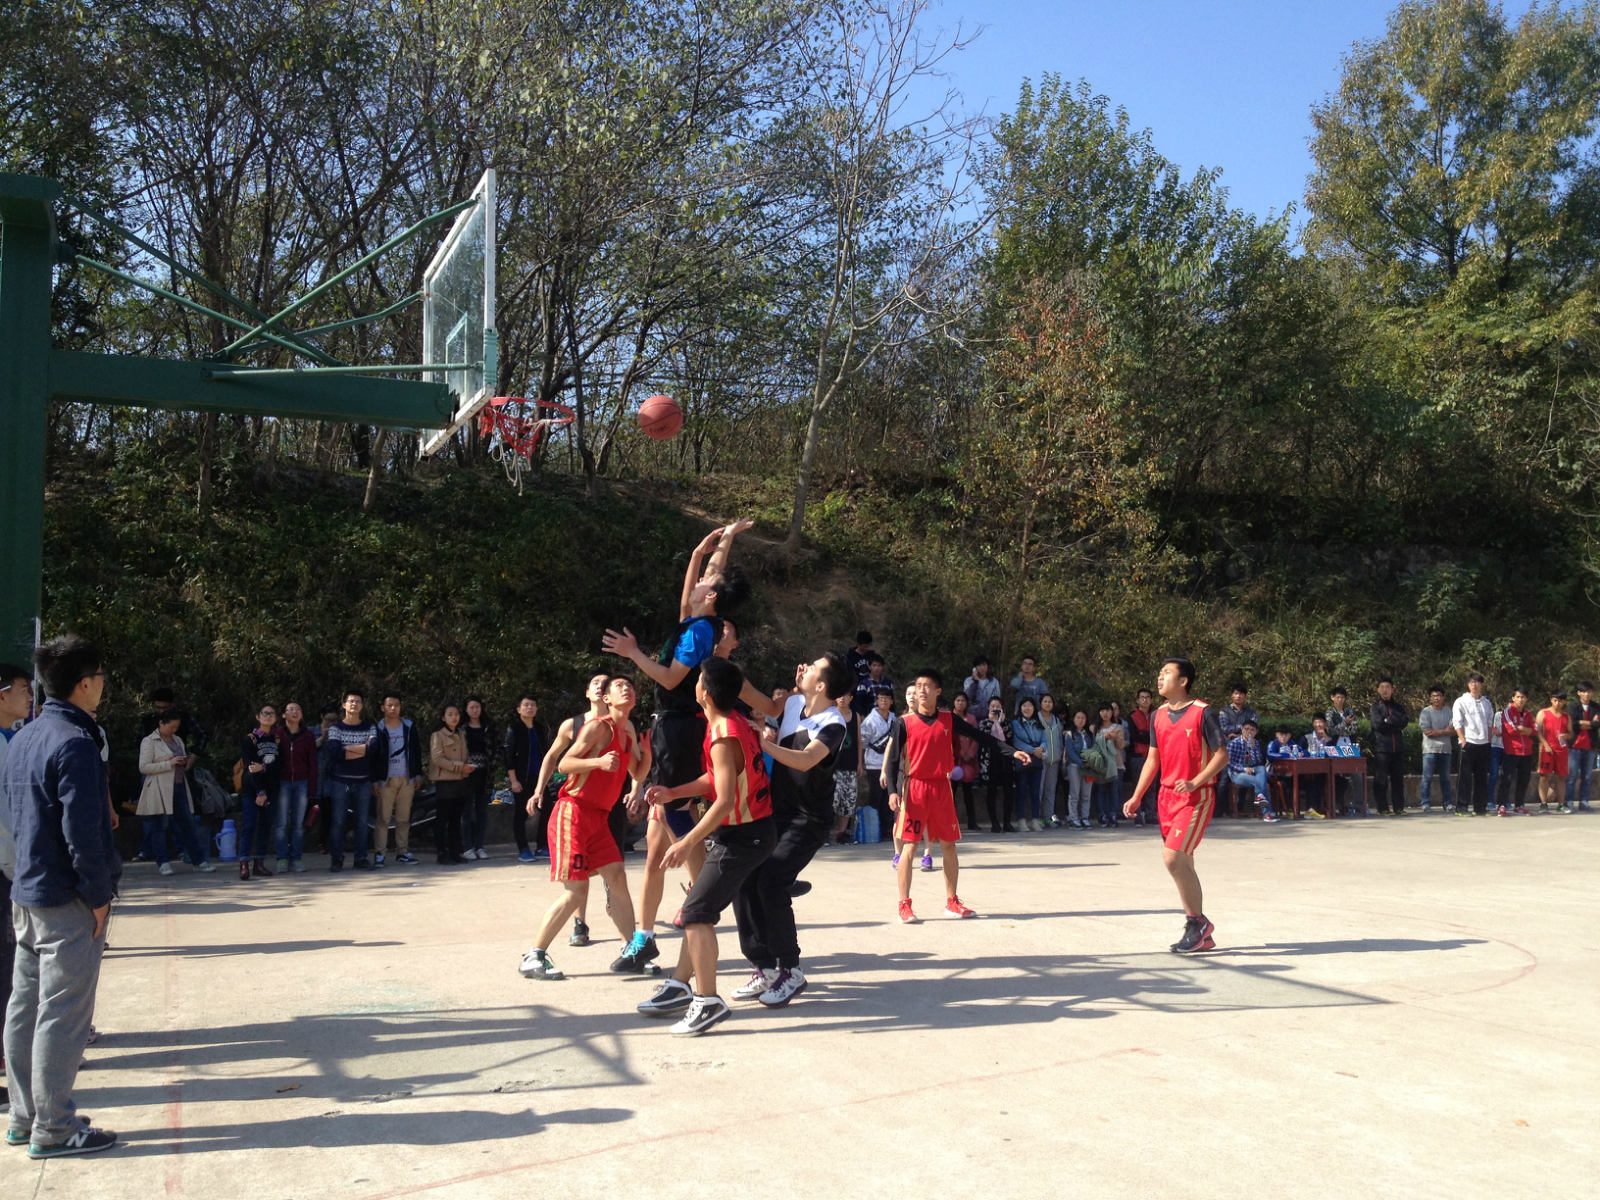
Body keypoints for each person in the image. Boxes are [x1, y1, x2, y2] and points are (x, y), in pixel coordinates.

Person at [602, 519, 752, 956]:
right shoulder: (696, 620)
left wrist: (633, 653)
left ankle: (708, 893)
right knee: (654, 850)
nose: (699, 580)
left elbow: (668, 678)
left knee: (677, 817)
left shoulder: (701, 631)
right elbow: (697, 590)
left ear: (712, 597)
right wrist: (709, 548)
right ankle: (644, 937)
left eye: (705, 579)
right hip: (672, 726)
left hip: (680, 728)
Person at [2, 635, 120, 1156]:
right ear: (86, 683)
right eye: (101, 677)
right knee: (63, 1013)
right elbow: (83, 835)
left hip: (27, 893)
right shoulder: (75, 743)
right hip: (67, 900)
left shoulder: (25, 737)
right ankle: (54, 1127)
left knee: (25, 1007)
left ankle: (25, 1117)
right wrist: (98, 896)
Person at [634, 658, 773, 1035]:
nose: (693, 684)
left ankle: (707, 1000)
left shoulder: (724, 734)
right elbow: (717, 780)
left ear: (705, 694)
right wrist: (674, 792)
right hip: (747, 832)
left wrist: (687, 842)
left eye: (698, 680)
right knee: (699, 908)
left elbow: (725, 800)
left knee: (696, 912)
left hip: (745, 835)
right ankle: (681, 985)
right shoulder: (730, 722)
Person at [728, 652, 854, 1008]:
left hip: (808, 820)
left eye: (812, 668)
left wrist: (764, 744)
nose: (804, 668)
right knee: (745, 878)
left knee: (771, 881)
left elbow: (806, 759)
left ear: (822, 685)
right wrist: (726, 667)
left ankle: (791, 970)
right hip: (775, 812)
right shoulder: (795, 702)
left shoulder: (834, 724)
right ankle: (764, 967)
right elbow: (762, 701)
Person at [519, 675, 652, 981]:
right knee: (577, 892)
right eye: (620, 687)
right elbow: (564, 764)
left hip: (599, 818)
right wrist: (598, 763)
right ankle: (533, 956)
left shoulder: (628, 733)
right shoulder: (597, 728)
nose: (627, 689)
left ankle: (632, 950)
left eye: (630, 687)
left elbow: (637, 772)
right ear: (607, 699)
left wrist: (647, 755)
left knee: (617, 876)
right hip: (573, 813)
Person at [884, 668, 1029, 923]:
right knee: (911, 846)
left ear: (938, 691)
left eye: (927, 685)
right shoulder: (903, 723)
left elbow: (981, 737)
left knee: (949, 845)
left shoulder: (948, 719)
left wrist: (1011, 751)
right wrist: (893, 792)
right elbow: (893, 759)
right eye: (918, 685)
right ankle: (904, 905)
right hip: (915, 788)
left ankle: (952, 901)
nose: (921, 690)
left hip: (942, 788)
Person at [1122, 657, 1227, 954]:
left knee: (1172, 859)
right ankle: (1200, 933)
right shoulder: (1157, 715)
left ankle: (1198, 923)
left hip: (1195, 797)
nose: (1160, 677)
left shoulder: (1203, 712)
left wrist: (1195, 781)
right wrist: (1137, 796)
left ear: (1183, 681)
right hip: (1166, 798)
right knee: (1183, 862)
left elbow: (1222, 755)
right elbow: (1152, 759)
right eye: (1160, 672)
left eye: (1167, 673)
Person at [531, 673, 611, 944]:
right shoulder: (573, 725)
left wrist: (636, 789)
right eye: (595, 683)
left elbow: (635, 758)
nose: (600, 686)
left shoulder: (621, 724)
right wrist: (538, 790)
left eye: (605, 683)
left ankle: (628, 931)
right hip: (580, 803)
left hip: (608, 803)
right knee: (580, 871)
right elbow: (553, 757)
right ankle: (580, 923)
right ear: (587, 692)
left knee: (614, 868)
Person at [135, 713, 214, 876]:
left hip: (178, 786)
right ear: (161, 723)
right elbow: (144, 767)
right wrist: (169, 763)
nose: (174, 730)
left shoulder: (177, 740)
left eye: (176, 727)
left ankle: (198, 860)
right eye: (171, 727)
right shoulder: (149, 741)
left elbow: (182, 762)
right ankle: (163, 862)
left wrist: (184, 762)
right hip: (159, 789)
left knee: (187, 824)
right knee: (159, 826)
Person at [324, 690, 378, 871]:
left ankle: (361, 858)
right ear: (344, 705)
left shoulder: (369, 727)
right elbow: (335, 752)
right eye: (351, 701)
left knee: (362, 822)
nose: (354, 704)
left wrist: (348, 749)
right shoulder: (336, 728)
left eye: (358, 701)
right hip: (341, 782)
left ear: (362, 706)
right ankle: (337, 859)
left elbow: (373, 749)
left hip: (364, 781)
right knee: (338, 822)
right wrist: (363, 748)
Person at [371, 693, 422, 867]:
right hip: (385, 779)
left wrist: (417, 774)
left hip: (406, 778)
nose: (393, 708)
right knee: (383, 818)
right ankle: (380, 854)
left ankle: (402, 852)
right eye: (390, 705)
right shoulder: (377, 728)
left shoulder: (408, 726)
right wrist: (375, 780)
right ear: (383, 708)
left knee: (403, 818)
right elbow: (373, 756)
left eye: (397, 705)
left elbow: (416, 751)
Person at [238, 703, 282, 879]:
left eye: (272, 713)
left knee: (265, 826)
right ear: (258, 716)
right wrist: (260, 791)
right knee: (249, 825)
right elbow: (250, 767)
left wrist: (264, 767)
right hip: (252, 790)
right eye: (265, 713)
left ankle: (259, 863)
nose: (268, 716)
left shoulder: (276, 740)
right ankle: (244, 863)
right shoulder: (250, 739)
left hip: (271, 789)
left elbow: (279, 766)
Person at [273, 702, 318, 873]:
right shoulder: (277, 734)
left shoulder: (308, 735)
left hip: (302, 782)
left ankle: (296, 858)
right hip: (282, 782)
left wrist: (312, 787)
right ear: (284, 715)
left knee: (298, 823)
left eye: (298, 709)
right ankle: (282, 858)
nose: (295, 712)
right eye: (291, 709)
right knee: (281, 823)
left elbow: (313, 762)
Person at [503, 694, 548, 864]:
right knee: (521, 813)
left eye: (532, 705)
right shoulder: (514, 729)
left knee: (547, 808)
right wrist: (513, 781)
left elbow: (546, 753)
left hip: (539, 778)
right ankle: (523, 849)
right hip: (522, 778)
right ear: (518, 709)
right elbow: (508, 756)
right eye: (526, 705)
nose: (530, 708)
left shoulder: (540, 728)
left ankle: (542, 846)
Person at [429, 704, 471, 864]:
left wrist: (467, 768)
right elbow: (437, 759)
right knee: (442, 819)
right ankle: (441, 852)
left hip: (460, 781)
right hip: (445, 782)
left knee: (455, 819)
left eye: (456, 714)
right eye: (450, 714)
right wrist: (460, 767)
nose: (454, 717)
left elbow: (465, 755)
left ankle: (455, 852)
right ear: (443, 717)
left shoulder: (461, 734)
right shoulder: (437, 735)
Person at [1451, 673, 1495, 817]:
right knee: (1464, 778)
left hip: (1483, 744)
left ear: (1482, 685)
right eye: (1471, 682)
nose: (1474, 685)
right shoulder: (1461, 701)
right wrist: (1463, 740)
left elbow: (1489, 722)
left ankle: (1480, 807)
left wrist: (1489, 739)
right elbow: (1457, 722)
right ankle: (1461, 808)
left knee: (1481, 778)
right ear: (1468, 685)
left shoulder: (1486, 703)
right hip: (1468, 743)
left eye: (1477, 682)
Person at [460, 697, 495, 859]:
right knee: (465, 811)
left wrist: (494, 763)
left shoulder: (488, 727)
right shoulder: (461, 728)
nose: (475, 710)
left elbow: (496, 747)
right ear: (466, 709)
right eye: (472, 707)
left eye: (477, 707)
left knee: (482, 811)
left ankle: (480, 846)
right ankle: (467, 847)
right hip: (465, 774)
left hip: (485, 774)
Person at [860, 688, 897, 838]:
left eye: (887, 698)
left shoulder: (895, 718)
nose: (884, 701)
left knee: (889, 796)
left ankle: (888, 829)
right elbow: (863, 742)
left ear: (891, 701)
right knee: (876, 796)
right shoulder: (870, 720)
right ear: (877, 701)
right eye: (881, 698)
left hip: (890, 764)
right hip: (874, 763)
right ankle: (875, 830)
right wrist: (861, 762)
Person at [1368, 678, 1409, 816]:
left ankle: (1399, 807)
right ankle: (1382, 808)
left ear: (1393, 689)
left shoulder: (1398, 707)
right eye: (1382, 687)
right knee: (1381, 779)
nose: (1385, 690)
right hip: (1382, 748)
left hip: (1397, 748)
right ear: (1378, 690)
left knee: (1398, 779)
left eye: (1387, 687)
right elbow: (1378, 725)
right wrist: (1394, 723)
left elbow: (1404, 721)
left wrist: (1389, 720)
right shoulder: (1375, 707)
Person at [1225, 719, 1278, 821]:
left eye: (1252, 730)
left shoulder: (1256, 743)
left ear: (1256, 732)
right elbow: (1228, 762)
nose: (1249, 732)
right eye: (1246, 729)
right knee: (1260, 782)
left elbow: (1258, 761)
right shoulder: (1233, 743)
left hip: (1253, 769)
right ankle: (1267, 813)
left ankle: (1266, 812)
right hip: (1237, 773)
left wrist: (1253, 749)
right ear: (1242, 730)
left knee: (1261, 769)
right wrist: (1244, 769)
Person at [977, 697, 1016, 832]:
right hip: (989, 760)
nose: (995, 708)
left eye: (998, 706)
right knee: (991, 792)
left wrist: (1001, 722)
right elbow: (984, 737)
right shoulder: (983, 723)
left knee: (1009, 791)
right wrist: (992, 722)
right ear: (988, 708)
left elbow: (1009, 737)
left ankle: (1007, 822)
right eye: (992, 706)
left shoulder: (1007, 723)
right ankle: (994, 822)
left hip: (1005, 760)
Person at [1496, 688, 1536, 816]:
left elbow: (1535, 730)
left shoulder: (1528, 714)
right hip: (1512, 750)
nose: (1520, 699)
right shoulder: (1507, 711)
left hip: (1527, 751)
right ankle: (1501, 805)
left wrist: (1524, 729)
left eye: (1523, 697)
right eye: (1518, 697)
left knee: (1524, 779)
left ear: (1526, 699)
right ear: (1513, 698)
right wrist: (1525, 730)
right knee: (1506, 779)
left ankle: (1519, 805)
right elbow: (1511, 729)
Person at [1010, 697, 1046, 830]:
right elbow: (1016, 741)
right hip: (1023, 759)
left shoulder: (1039, 723)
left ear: (1034, 708)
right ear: (1020, 708)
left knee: (1035, 792)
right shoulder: (1015, 723)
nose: (1027, 708)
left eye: (1030, 706)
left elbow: (1044, 740)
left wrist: (1041, 748)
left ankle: (1036, 820)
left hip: (1037, 761)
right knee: (1022, 791)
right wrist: (1033, 750)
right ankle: (1021, 820)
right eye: (1024, 705)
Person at [1418, 686, 1455, 813]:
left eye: (1439, 695)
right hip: (1429, 750)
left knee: (1446, 779)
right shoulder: (1425, 712)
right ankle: (1425, 803)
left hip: (1446, 750)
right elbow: (1427, 732)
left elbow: (1454, 730)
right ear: (1430, 698)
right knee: (1426, 778)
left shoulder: (1449, 712)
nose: (1436, 698)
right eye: (1433, 696)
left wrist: (1437, 732)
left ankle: (1447, 803)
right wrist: (1444, 731)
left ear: (1443, 697)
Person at [1535, 689, 1572, 813]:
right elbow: (1538, 731)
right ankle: (1543, 804)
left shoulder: (1566, 717)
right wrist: (1545, 745)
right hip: (1547, 750)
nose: (1557, 703)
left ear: (1564, 702)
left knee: (1561, 778)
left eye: (1560, 701)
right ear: (1551, 700)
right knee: (1544, 776)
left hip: (1561, 751)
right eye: (1555, 700)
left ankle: (1561, 804)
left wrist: (1566, 736)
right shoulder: (1543, 713)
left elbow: (1571, 733)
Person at [949, 692, 981, 830]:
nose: (960, 703)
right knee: (952, 792)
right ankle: (951, 823)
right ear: (954, 702)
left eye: (963, 700)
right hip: (954, 760)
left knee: (969, 792)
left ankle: (972, 822)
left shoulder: (971, 718)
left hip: (969, 761)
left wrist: (970, 753)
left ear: (967, 703)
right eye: (958, 700)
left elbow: (975, 737)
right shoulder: (949, 718)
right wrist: (959, 753)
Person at [1090, 701, 1125, 827]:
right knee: (1101, 790)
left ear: (1112, 712)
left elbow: (1121, 746)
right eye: (1102, 711)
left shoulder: (1118, 727)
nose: (1105, 713)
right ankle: (1102, 815)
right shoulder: (1094, 728)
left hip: (1116, 764)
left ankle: (1113, 814)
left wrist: (1115, 737)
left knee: (1114, 791)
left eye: (1108, 710)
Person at [1568, 682, 1597, 812]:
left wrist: (1583, 723)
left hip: (1590, 746)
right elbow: (1573, 723)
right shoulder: (1573, 706)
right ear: (1579, 692)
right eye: (1584, 691)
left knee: (1587, 776)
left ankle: (1584, 802)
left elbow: (1597, 724)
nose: (1587, 694)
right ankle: (1569, 802)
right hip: (1574, 746)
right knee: (1572, 776)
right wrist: (1591, 723)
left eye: (1589, 691)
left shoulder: (1596, 707)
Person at [1037, 694, 1064, 827]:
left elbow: (1059, 738)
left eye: (1050, 702)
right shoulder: (1037, 718)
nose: (1047, 704)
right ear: (1040, 703)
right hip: (1041, 759)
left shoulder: (1056, 720)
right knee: (1039, 789)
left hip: (1055, 760)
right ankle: (1038, 818)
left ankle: (1048, 817)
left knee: (1051, 790)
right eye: (1045, 701)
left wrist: (1060, 753)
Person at [1064, 708, 1093, 828]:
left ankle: (1085, 817)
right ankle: (1073, 817)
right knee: (1074, 793)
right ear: (1074, 719)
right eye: (1078, 718)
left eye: (1083, 718)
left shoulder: (1089, 734)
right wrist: (1081, 763)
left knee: (1086, 794)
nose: (1081, 720)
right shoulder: (1070, 735)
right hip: (1075, 766)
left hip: (1089, 766)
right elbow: (1070, 752)